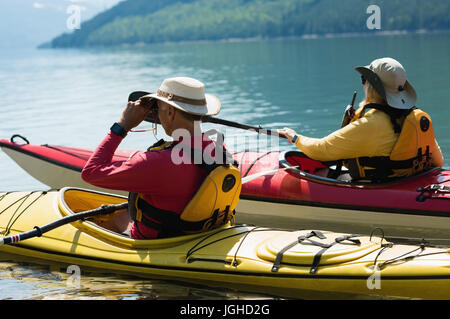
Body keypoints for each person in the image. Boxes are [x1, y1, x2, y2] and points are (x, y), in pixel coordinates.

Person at [81, 77, 241, 239]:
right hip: (199, 234)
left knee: (108, 222)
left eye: (158, 108)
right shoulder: (220, 150)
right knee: (123, 214)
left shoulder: (157, 162)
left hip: (158, 242)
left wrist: (122, 126)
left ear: (170, 112)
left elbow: (91, 172)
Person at [278, 57, 444, 182]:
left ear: (372, 86)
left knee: (321, 173)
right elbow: (438, 161)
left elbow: (322, 150)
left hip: (381, 188)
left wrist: (295, 137)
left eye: (364, 80)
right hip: (411, 182)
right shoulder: (416, 117)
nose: (363, 84)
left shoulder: (371, 124)